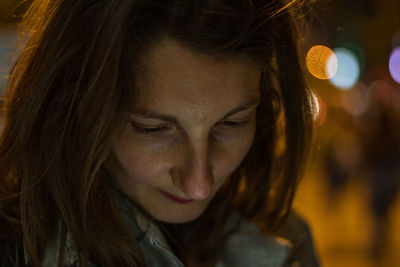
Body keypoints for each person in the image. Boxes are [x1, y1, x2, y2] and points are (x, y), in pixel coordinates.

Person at [0, 0, 318, 266]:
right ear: (78, 110)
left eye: (231, 123)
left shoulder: (286, 242)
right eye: (153, 130)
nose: (199, 185)